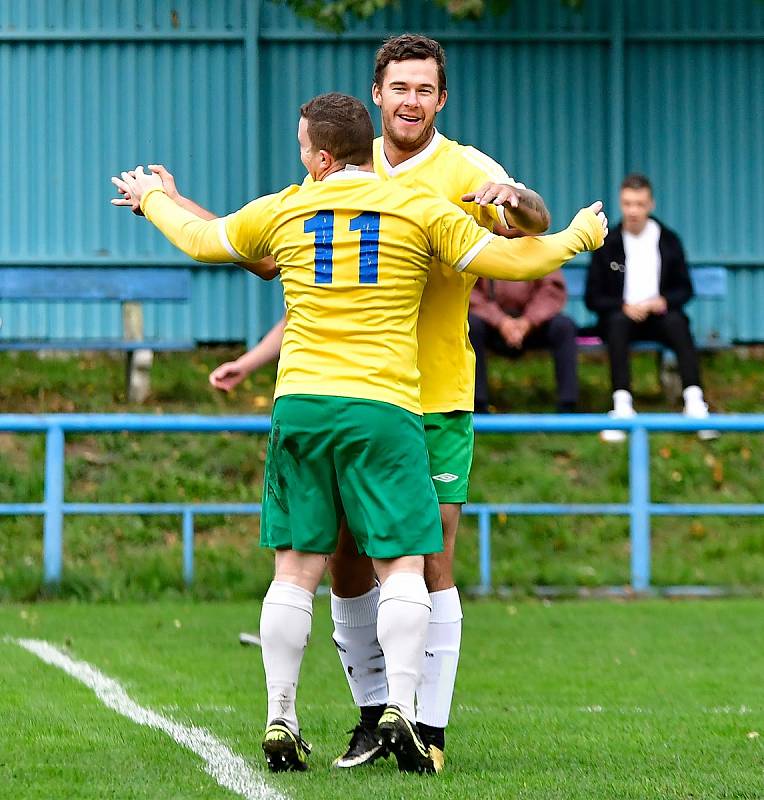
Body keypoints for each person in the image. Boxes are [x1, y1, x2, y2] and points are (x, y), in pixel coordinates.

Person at [115, 92, 606, 773]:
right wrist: (581, 234)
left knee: (295, 567)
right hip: (384, 406)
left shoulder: (289, 206)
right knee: (404, 562)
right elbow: (518, 261)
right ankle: (401, 706)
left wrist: (152, 199)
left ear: (320, 156)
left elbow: (205, 240)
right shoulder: (417, 208)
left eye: (300, 146)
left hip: (303, 405)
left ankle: (280, 714)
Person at [585, 173, 716, 442]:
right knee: (616, 323)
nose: (633, 210)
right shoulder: (608, 244)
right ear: (621, 204)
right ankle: (621, 405)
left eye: (640, 204)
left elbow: (685, 288)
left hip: (660, 318)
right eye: (628, 203)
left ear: (651, 205)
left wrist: (664, 301)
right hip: (623, 319)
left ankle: (695, 403)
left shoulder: (668, 240)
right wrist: (623, 306)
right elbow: (593, 297)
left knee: (678, 322)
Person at [467, 272, 579, 412]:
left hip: (533, 323)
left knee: (564, 327)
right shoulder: (476, 250)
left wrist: (528, 321)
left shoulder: (543, 249)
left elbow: (551, 289)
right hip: (490, 322)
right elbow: (469, 290)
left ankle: (567, 405)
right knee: (471, 326)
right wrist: (500, 321)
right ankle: (477, 404)